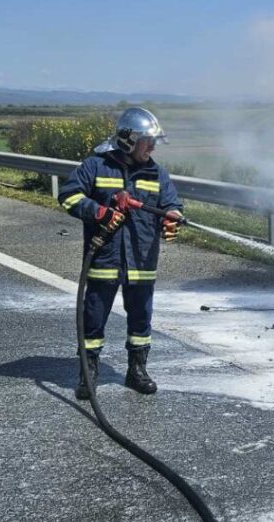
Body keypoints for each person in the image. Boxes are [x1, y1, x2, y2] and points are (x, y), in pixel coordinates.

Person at [57, 107, 184, 399]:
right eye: (146, 140)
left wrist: (172, 217)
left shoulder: (156, 173)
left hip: (142, 261)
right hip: (105, 260)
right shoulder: (96, 166)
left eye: (154, 141)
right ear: (128, 140)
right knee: (93, 317)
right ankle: (88, 374)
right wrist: (98, 211)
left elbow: (172, 203)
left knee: (141, 320)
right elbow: (68, 195)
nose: (152, 147)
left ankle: (136, 371)